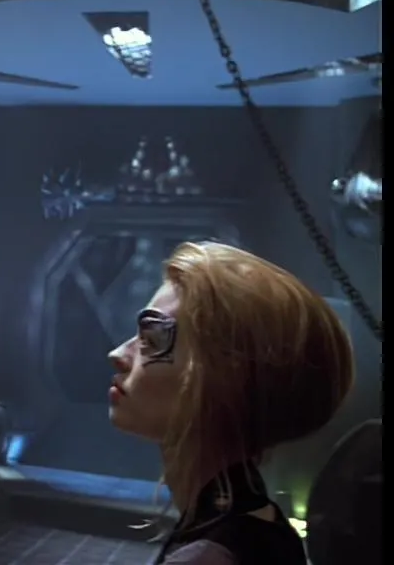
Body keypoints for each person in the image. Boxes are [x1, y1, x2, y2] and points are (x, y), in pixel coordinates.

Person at [107, 242, 354, 565]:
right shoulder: (261, 520)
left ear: (222, 379)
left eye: (150, 340)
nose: (117, 355)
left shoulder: (209, 556)